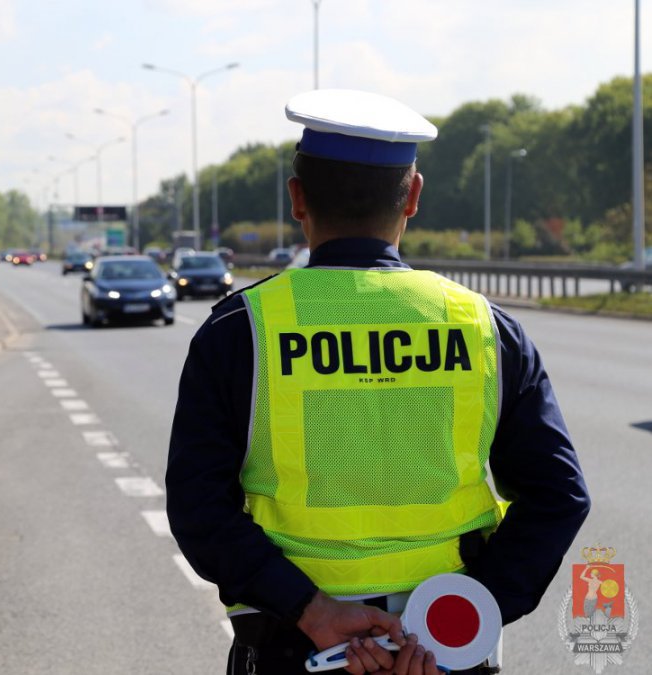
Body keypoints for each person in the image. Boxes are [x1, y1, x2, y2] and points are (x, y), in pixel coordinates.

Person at [166, 89, 591, 675]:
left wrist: (311, 610)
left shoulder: (242, 331)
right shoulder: (485, 329)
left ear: (296, 197)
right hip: (445, 653)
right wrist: (461, 616)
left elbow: (199, 508)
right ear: (413, 196)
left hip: (298, 646)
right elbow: (558, 494)